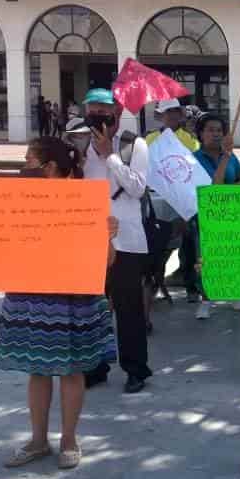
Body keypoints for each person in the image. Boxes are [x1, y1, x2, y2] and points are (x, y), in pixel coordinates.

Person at [0, 137, 117, 470]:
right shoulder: (18, 201)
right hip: (30, 294)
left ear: (48, 167)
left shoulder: (86, 201)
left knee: (71, 370)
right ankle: (38, 440)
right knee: (37, 369)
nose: (23, 168)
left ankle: (69, 439)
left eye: (28, 161)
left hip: (73, 297)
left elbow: (109, 261)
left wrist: (107, 235)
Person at [80, 88, 152, 394]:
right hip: (88, 238)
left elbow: (137, 188)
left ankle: (136, 369)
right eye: (91, 112)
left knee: (128, 308)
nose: (97, 117)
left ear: (117, 113)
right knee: (92, 308)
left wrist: (110, 154)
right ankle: (95, 366)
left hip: (126, 239)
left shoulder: (133, 145)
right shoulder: (79, 144)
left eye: (103, 112)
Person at [188, 114, 240, 319]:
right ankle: (206, 299)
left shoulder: (232, 157)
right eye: (211, 130)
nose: (216, 134)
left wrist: (233, 189)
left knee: (232, 256)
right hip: (204, 218)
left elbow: (239, 180)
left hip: (230, 217)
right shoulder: (193, 159)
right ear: (201, 134)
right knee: (205, 259)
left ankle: (235, 293)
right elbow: (212, 188)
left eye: (219, 130)